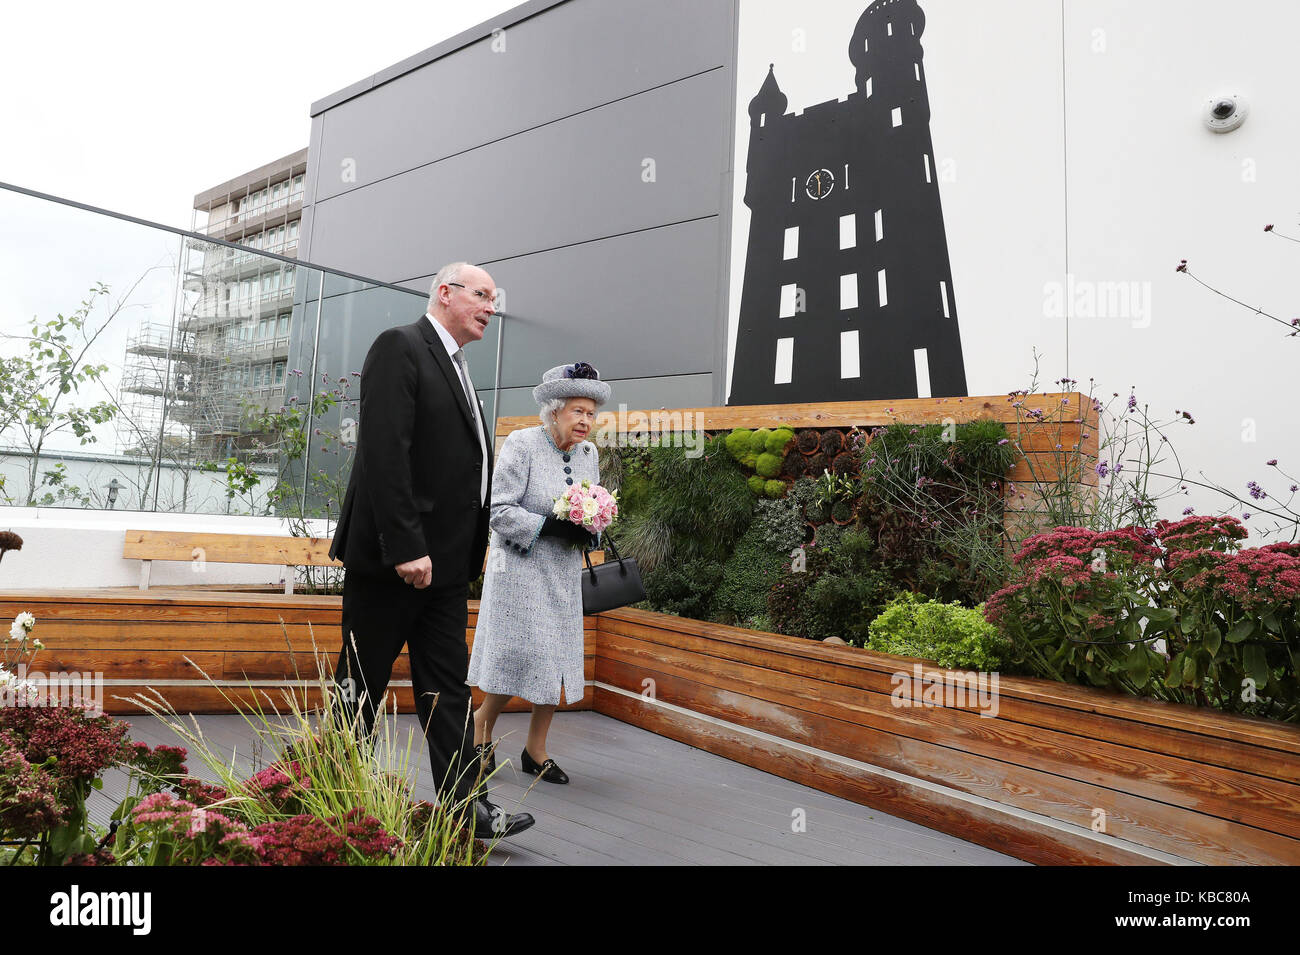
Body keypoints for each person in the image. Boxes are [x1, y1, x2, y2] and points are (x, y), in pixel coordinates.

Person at [329, 261, 534, 841]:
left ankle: (468, 810)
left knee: (448, 692)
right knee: (359, 688)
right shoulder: (401, 346)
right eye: (483, 296)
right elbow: (383, 453)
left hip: (443, 569)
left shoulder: (458, 365)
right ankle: (332, 803)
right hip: (394, 562)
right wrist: (405, 546)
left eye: (496, 299)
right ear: (445, 293)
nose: (492, 308)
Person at [467, 362, 610, 786]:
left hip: (562, 573)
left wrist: (592, 527)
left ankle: (536, 750)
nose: (585, 420)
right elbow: (498, 510)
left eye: (590, 412)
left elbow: (595, 509)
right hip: (520, 574)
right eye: (577, 411)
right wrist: (549, 525)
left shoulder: (589, 454)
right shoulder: (522, 443)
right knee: (517, 655)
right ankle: (481, 730)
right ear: (554, 410)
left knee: (557, 660)